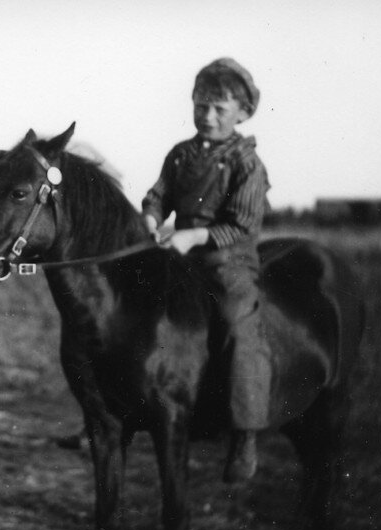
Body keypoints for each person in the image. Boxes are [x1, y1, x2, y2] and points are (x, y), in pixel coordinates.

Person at [141, 57, 271, 483]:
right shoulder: (180, 155)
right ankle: (115, 412)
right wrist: (151, 218)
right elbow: (158, 195)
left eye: (219, 108)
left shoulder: (247, 163)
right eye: (201, 106)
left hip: (227, 260)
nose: (208, 116)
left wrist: (193, 237)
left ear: (242, 113)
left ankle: (245, 432)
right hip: (182, 253)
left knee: (237, 323)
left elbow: (242, 224)